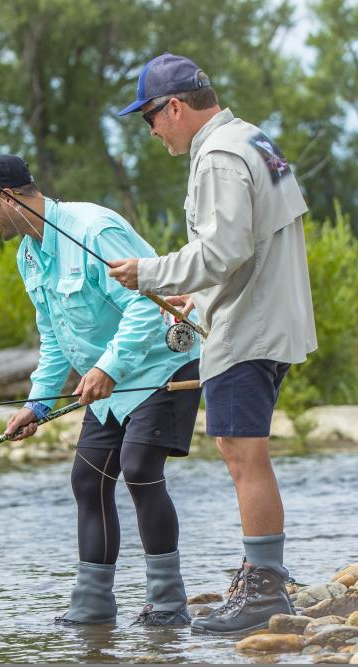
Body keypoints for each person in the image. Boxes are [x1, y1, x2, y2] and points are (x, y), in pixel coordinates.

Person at [111, 53, 317, 635]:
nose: (150, 131)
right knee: (243, 450)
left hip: (249, 330)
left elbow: (223, 251)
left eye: (148, 117)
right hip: (265, 318)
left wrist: (150, 274)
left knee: (240, 452)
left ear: (174, 107)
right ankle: (264, 575)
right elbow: (250, 247)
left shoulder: (220, 157)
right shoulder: (253, 140)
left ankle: (264, 592)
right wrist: (195, 301)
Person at [0, 154, 202, 626]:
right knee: (88, 481)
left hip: (162, 365)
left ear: (6, 198)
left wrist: (107, 367)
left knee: (138, 467)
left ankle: (168, 604)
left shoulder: (93, 229)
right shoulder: (27, 255)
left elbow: (147, 307)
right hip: (111, 383)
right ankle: (93, 606)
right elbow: (54, 337)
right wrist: (38, 403)